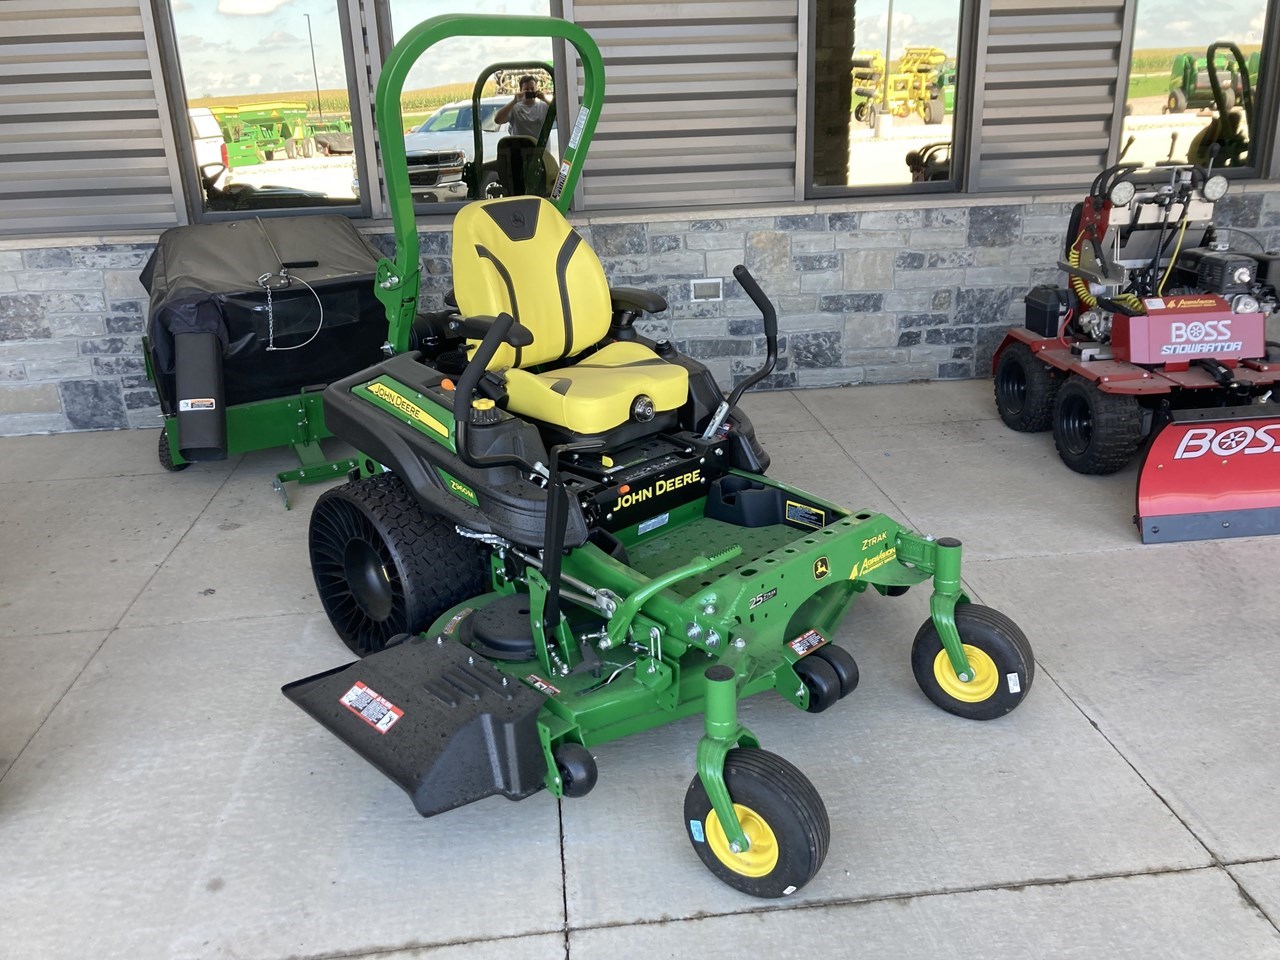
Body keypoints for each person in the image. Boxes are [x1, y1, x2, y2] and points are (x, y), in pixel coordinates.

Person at [495, 75, 549, 140]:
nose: (530, 91)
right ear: (521, 90)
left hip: (541, 149)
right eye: (526, 89)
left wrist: (545, 99)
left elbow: (559, 117)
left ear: (536, 90)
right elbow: (498, 120)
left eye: (532, 89)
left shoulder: (543, 106)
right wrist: (514, 101)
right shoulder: (514, 107)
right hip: (519, 148)